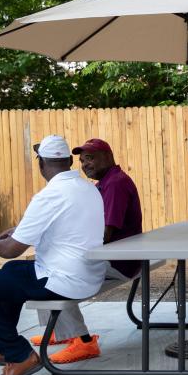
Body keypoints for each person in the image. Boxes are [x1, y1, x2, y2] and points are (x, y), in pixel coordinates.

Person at [0, 135, 107, 375]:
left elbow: (11, 249)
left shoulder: (49, 195)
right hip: (89, 274)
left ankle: (19, 356)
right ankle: (1, 346)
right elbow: (55, 225)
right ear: (67, 161)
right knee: (11, 272)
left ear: (41, 163)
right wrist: (16, 231)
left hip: (63, 281)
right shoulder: (87, 188)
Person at [30, 138, 143, 363]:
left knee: (60, 272)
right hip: (118, 256)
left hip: (120, 262)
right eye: (81, 161)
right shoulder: (105, 182)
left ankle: (83, 341)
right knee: (47, 260)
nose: (85, 164)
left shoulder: (115, 184)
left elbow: (104, 234)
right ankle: (61, 331)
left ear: (108, 157)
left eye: (90, 158)